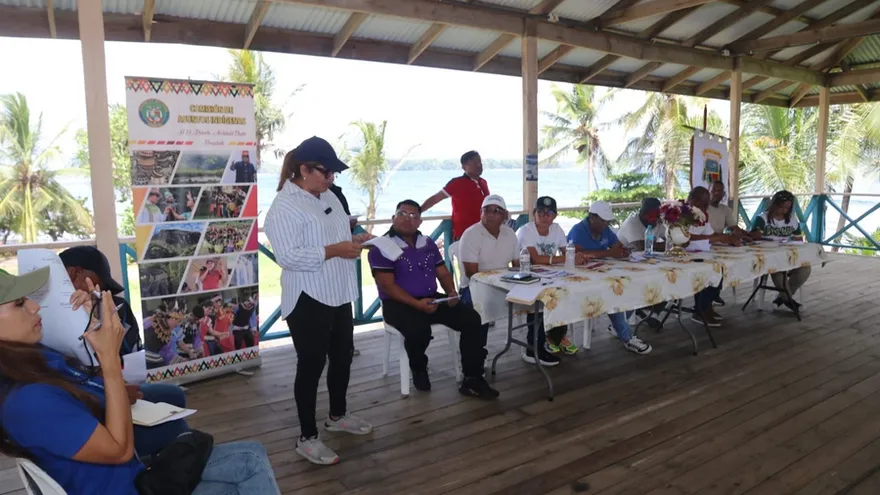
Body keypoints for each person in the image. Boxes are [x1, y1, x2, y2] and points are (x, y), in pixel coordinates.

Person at [0, 269, 281, 494]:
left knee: (247, 463)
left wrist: (89, 324)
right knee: (250, 461)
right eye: (20, 303)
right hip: (127, 484)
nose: (35, 307)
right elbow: (120, 451)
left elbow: (90, 387)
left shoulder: (35, 361)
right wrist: (109, 357)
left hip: (134, 477)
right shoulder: (28, 400)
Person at [263, 136, 374, 466]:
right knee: (311, 366)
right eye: (325, 172)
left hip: (338, 291)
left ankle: (337, 416)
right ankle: (307, 436)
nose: (330, 179)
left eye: (334, 174)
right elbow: (287, 257)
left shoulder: (330, 197)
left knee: (342, 357)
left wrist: (354, 241)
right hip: (308, 296)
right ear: (303, 169)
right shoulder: (283, 207)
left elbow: (333, 235)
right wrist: (335, 250)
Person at [368, 200, 498, 398]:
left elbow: (443, 273)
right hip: (399, 304)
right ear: (393, 218)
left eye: (413, 216)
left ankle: (472, 377)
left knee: (472, 319)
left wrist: (452, 292)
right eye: (402, 214)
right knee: (419, 331)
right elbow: (388, 285)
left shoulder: (426, 243)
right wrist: (415, 304)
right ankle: (418, 366)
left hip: (431, 298)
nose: (407, 219)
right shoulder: (382, 247)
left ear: (419, 221)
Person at [567, 201, 652, 355]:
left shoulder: (605, 230)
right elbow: (577, 254)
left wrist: (623, 251)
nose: (606, 224)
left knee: (629, 284)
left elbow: (616, 246)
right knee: (613, 290)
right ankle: (627, 337)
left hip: (602, 272)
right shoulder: (578, 230)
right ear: (592, 217)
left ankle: (618, 327)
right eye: (603, 220)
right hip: (582, 277)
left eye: (607, 221)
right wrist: (609, 253)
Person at [516, 196, 589, 357]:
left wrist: (577, 257)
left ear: (554, 216)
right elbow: (535, 259)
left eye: (549, 213)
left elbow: (568, 252)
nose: (544, 216)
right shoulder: (526, 230)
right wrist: (567, 258)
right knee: (542, 299)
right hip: (529, 277)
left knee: (567, 292)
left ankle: (557, 335)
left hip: (551, 275)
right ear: (534, 213)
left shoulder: (557, 230)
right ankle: (538, 341)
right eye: (540, 212)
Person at [687, 186, 741, 327]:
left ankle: (704, 306)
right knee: (711, 270)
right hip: (681, 254)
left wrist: (727, 238)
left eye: (706, 204)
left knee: (722, 269)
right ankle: (701, 309)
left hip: (700, 253)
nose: (705, 207)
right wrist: (716, 239)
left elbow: (710, 234)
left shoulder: (703, 215)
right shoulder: (679, 213)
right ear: (692, 199)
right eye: (703, 204)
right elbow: (685, 238)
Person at [749, 190, 811, 311]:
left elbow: (798, 239)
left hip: (786, 253)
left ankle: (783, 297)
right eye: (781, 206)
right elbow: (754, 237)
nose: (783, 210)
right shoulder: (762, 218)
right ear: (774, 204)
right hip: (768, 255)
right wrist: (755, 234)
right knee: (777, 270)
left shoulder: (792, 220)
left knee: (805, 269)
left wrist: (795, 244)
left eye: (787, 207)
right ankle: (788, 300)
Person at [421, 150, 490, 241]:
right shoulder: (457, 183)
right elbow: (436, 198)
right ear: (464, 167)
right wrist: (418, 211)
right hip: (464, 235)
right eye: (474, 162)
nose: (479, 165)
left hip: (484, 233)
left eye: (480, 162)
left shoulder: (483, 182)